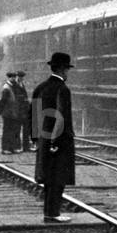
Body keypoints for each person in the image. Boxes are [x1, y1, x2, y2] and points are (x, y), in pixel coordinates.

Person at [32, 52, 76, 223]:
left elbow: (34, 116)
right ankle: (53, 213)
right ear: (62, 69)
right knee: (58, 178)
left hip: (43, 140)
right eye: (67, 69)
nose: (67, 73)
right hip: (58, 141)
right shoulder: (62, 89)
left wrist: (35, 139)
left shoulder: (40, 88)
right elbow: (61, 117)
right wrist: (55, 142)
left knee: (48, 178)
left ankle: (49, 212)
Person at [0, 71, 27, 154]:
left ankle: (12, 148)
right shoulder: (6, 88)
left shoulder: (13, 86)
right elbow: (3, 101)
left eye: (14, 77)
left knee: (13, 130)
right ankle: (5, 149)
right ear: (8, 78)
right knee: (7, 131)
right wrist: (1, 110)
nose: (13, 78)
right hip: (8, 113)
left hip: (13, 112)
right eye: (12, 77)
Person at [15, 71, 32, 152]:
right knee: (17, 130)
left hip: (24, 111)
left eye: (22, 77)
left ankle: (26, 147)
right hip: (18, 111)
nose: (21, 78)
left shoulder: (21, 85)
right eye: (19, 77)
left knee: (26, 129)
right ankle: (17, 147)